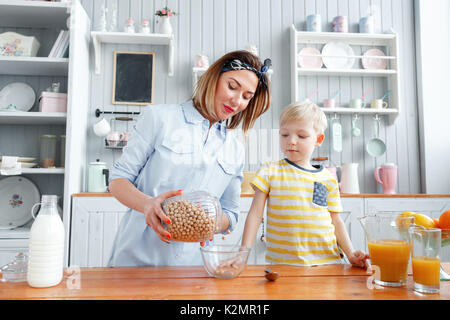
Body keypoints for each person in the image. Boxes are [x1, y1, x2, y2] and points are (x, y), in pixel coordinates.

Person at [107, 50, 272, 266]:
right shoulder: (159, 118)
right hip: (136, 261)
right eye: (232, 86)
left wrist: (209, 223)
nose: (236, 100)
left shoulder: (235, 147)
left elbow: (231, 213)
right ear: (214, 78)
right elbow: (118, 180)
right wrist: (148, 205)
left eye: (246, 97)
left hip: (196, 268)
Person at [241, 101, 369, 268]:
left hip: (328, 263)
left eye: (301, 136)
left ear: (318, 139)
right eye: (285, 135)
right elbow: (255, 215)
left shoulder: (327, 178)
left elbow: (336, 221)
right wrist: (243, 254)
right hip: (284, 266)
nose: (291, 141)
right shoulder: (269, 172)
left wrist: (351, 254)